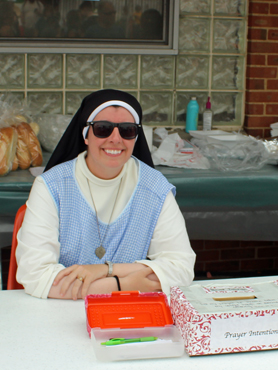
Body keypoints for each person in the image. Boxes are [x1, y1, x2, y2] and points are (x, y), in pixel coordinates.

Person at [16, 89, 196, 300]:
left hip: (129, 316)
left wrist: (105, 270)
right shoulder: (51, 186)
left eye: (127, 130)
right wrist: (124, 284)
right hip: (60, 312)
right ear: (85, 134)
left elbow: (182, 269)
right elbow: (35, 275)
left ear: (136, 137)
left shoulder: (154, 188)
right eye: (103, 129)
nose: (115, 139)